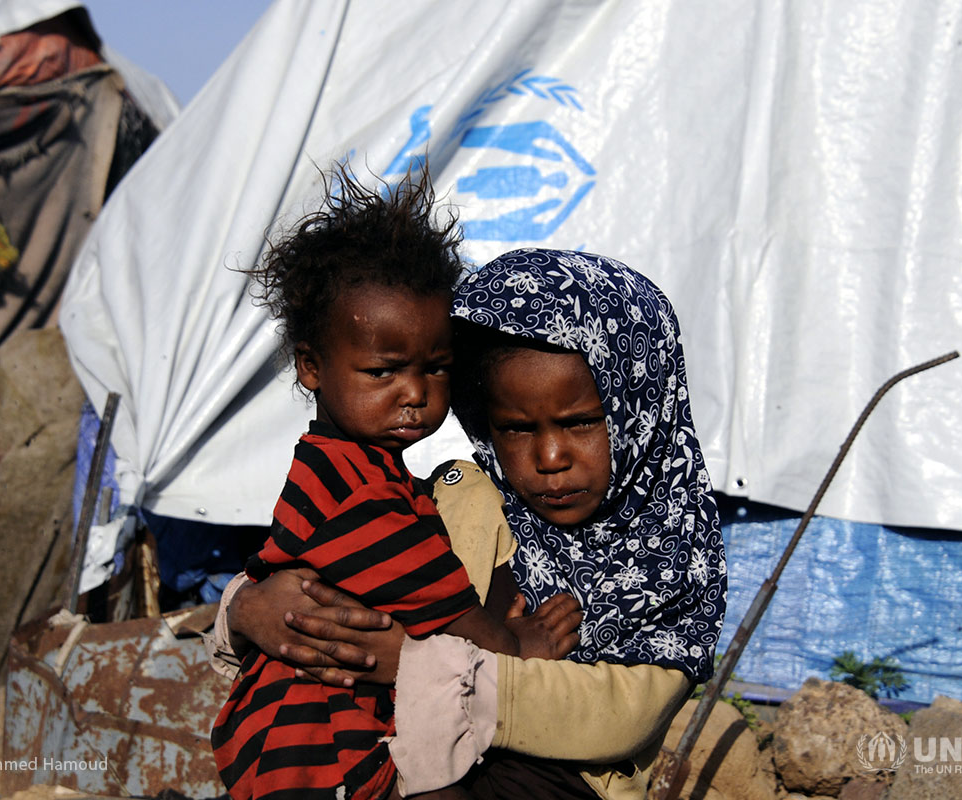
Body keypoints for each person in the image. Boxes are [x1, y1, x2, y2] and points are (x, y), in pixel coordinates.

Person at [212, 248, 728, 799]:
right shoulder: (452, 497)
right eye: (516, 428)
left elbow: (616, 717)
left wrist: (412, 666)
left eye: (581, 423)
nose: (551, 456)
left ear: (640, 410)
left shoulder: (671, 557)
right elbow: (324, 564)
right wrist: (244, 608)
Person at [211, 172, 583, 800]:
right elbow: (459, 624)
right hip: (315, 742)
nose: (415, 394)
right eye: (383, 371)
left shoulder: (342, 467)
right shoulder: (364, 496)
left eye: (436, 368)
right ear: (311, 366)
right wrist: (523, 642)